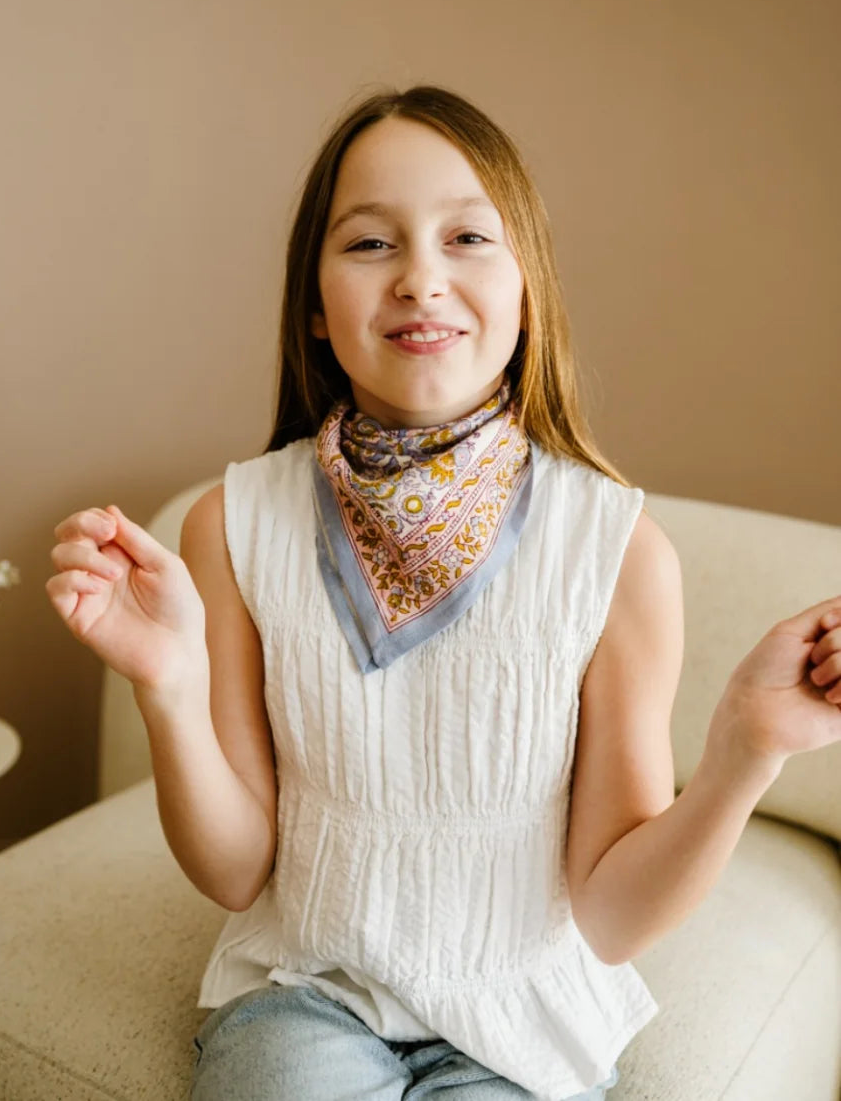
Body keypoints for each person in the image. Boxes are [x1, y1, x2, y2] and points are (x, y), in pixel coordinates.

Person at [46, 85, 841, 1101]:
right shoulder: (230, 524)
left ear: (526, 289)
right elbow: (239, 870)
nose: (421, 277)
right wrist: (167, 687)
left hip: (520, 1014)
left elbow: (608, 913)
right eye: (370, 243)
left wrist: (741, 749)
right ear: (314, 311)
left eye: (467, 236)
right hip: (305, 989)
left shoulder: (616, 551)